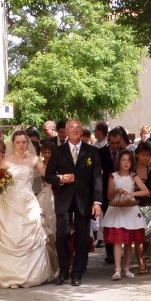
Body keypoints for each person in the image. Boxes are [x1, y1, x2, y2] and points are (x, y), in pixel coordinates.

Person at [0, 130, 57, 289]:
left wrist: (58, 182)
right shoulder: (6, 160)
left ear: (27, 143)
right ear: (13, 144)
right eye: (18, 142)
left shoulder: (34, 159)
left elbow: (48, 176)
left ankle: (32, 274)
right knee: (9, 235)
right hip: (9, 203)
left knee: (33, 237)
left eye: (24, 142)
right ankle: (7, 274)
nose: (21, 145)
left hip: (28, 203)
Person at [45, 119, 103, 287]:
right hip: (64, 199)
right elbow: (49, 175)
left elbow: (97, 179)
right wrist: (60, 179)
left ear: (82, 130)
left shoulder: (92, 151)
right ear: (66, 131)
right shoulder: (58, 151)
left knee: (82, 237)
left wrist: (97, 202)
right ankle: (63, 270)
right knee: (62, 235)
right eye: (71, 127)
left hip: (84, 200)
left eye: (78, 127)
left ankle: (77, 272)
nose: (75, 130)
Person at [100, 149, 149, 280]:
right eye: (123, 160)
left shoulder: (134, 176)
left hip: (131, 210)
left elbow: (145, 191)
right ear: (119, 161)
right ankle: (117, 269)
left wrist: (132, 194)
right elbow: (109, 196)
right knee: (117, 240)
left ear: (131, 162)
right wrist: (116, 191)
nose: (126, 163)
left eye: (128, 160)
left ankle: (126, 268)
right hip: (116, 210)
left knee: (129, 242)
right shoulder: (113, 176)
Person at [134, 142, 151, 274]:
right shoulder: (131, 170)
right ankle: (141, 263)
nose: (145, 157)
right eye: (143, 155)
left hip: (149, 205)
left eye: (147, 155)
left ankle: (140, 255)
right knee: (139, 236)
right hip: (135, 206)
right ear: (137, 154)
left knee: (148, 237)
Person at [99, 128, 124, 258]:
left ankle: (119, 249)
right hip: (106, 193)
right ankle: (109, 251)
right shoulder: (100, 153)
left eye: (117, 143)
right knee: (109, 222)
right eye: (112, 143)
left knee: (120, 223)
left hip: (123, 192)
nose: (115, 145)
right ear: (108, 141)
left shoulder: (125, 154)